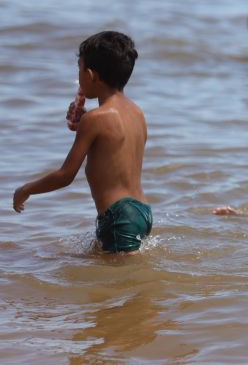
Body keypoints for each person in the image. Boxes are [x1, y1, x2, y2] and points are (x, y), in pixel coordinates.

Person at [13, 31, 152, 254]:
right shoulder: (136, 112)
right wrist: (84, 125)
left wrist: (26, 189)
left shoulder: (95, 119)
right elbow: (114, 144)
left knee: (120, 282)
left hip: (119, 216)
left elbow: (65, 175)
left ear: (90, 74)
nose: (79, 77)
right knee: (102, 269)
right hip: (140, 211)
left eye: (79, 69)